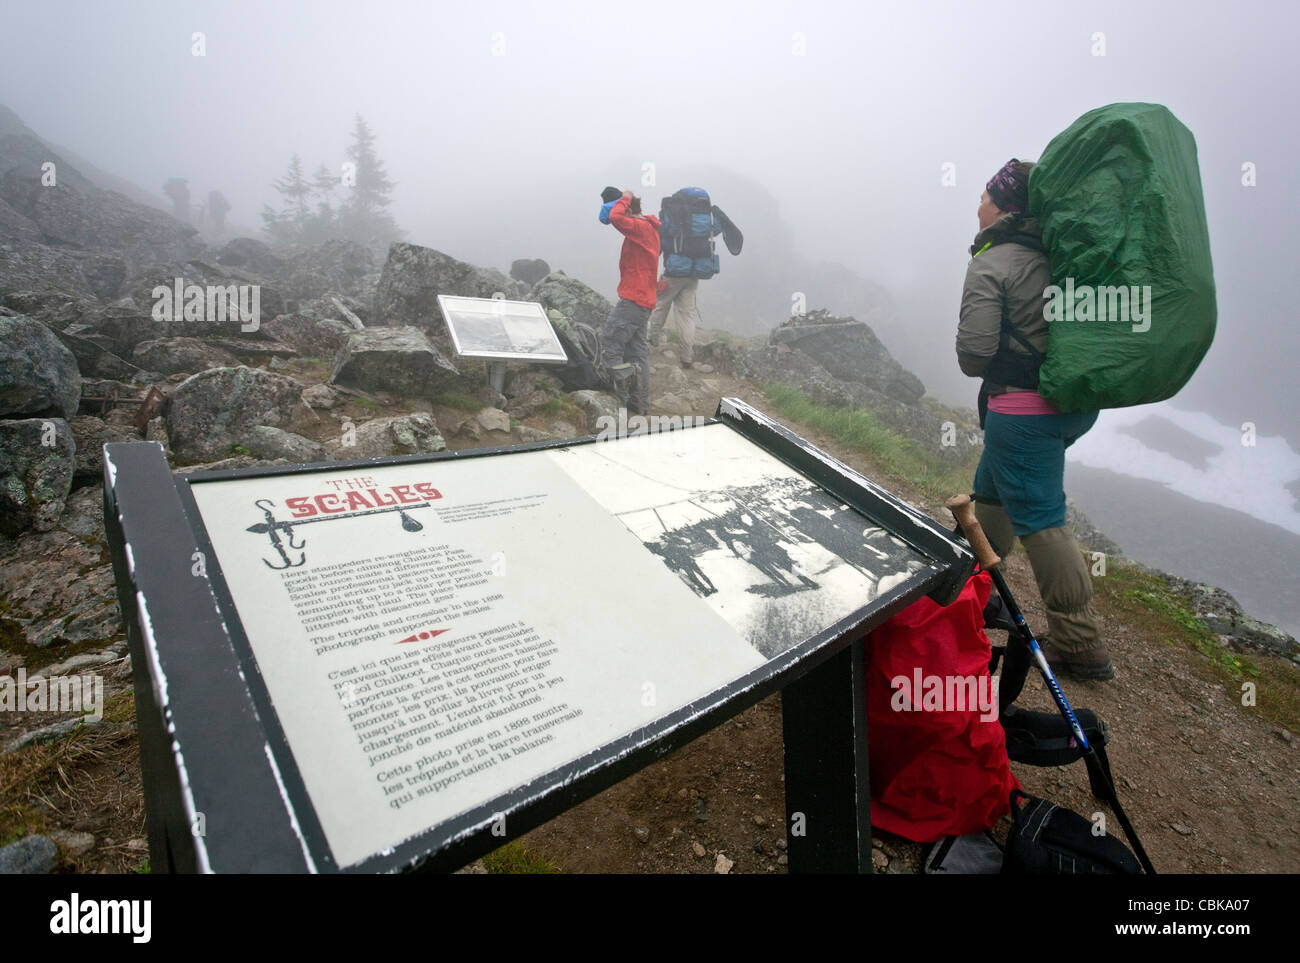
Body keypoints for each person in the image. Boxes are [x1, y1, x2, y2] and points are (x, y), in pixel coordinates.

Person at [955, 158, 1113, 681]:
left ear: (1002, 207)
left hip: (1022, 412)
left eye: (984, 195)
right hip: (1071, 405)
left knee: (1041, 519)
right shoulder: (1064, 255)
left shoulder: (994, 261)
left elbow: (975, 355)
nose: (977, 204)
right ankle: (974, 593)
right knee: (993, 492)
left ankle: (1080, 642)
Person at [599, 187, 660, 416]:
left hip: (633, 300)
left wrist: (624, 199)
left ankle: (618, 401)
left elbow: (615, 218)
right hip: (644, 301)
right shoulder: (649, 228)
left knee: (611, 344)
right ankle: (640, 403)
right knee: (637, 353)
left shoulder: (639, 227)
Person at [648, 274, 702, 367]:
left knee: (661, 307)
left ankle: (652, 341)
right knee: (686, 317)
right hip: (692, 277)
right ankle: (687, 356)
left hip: (672, 275)